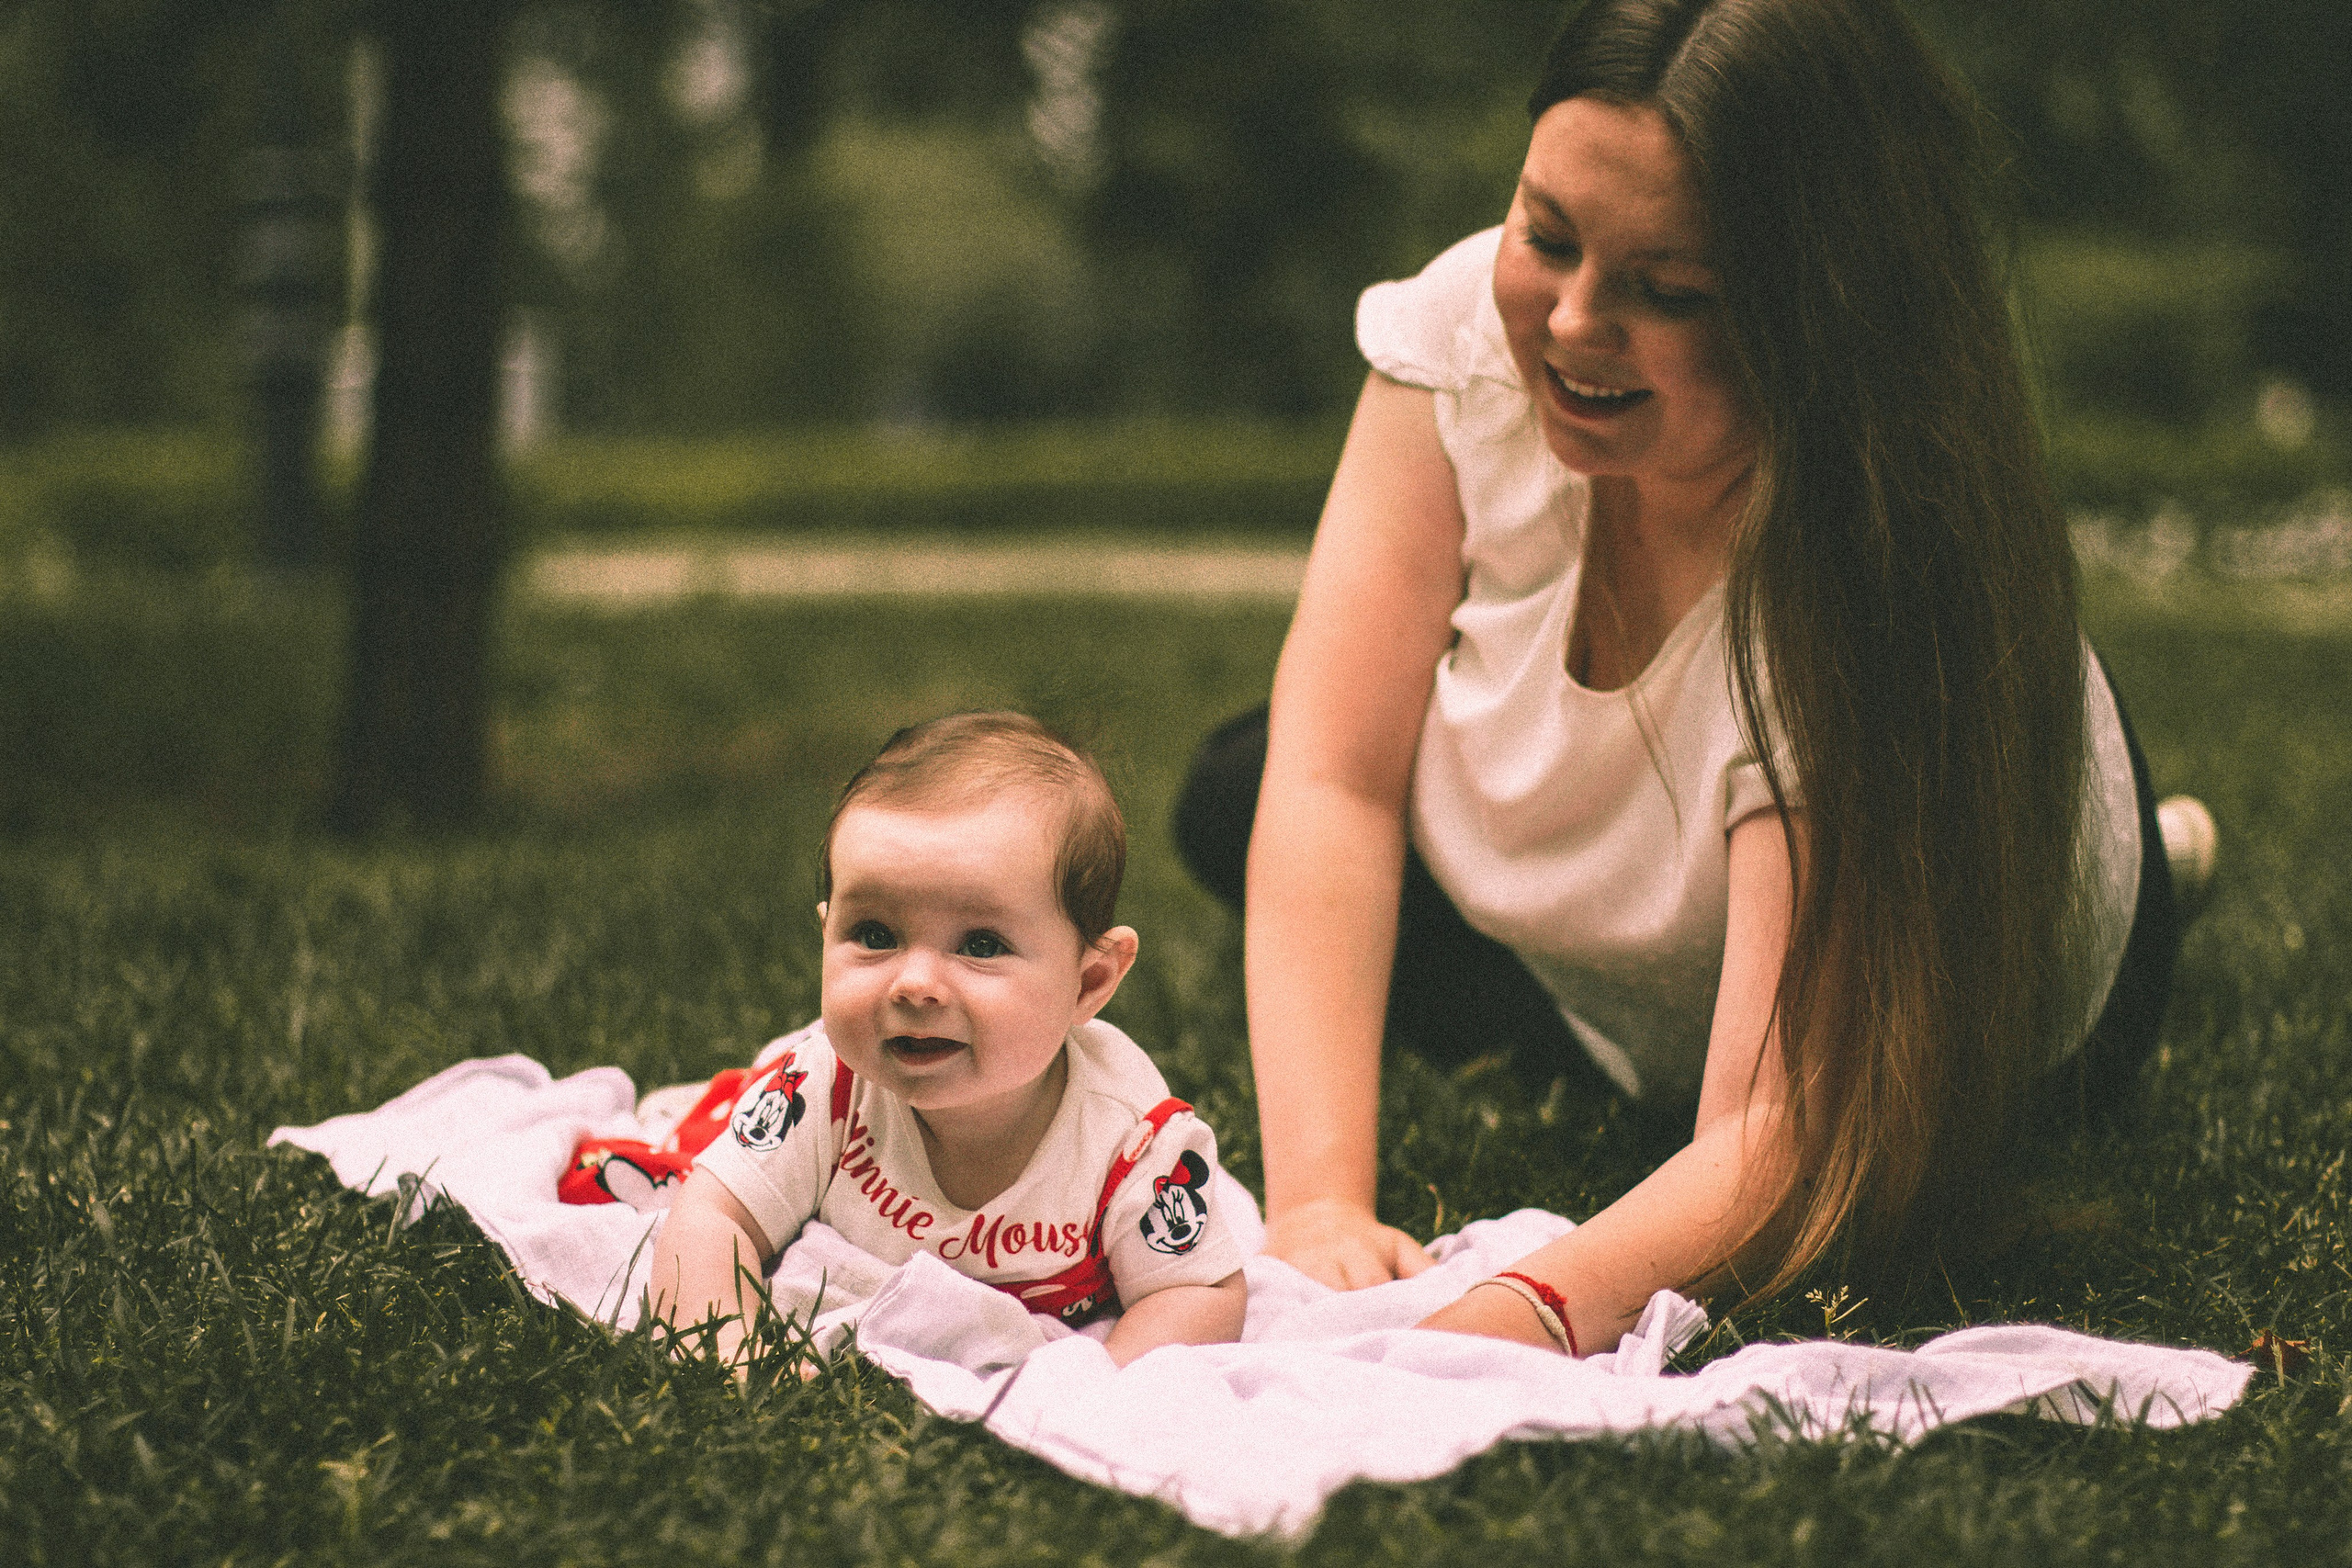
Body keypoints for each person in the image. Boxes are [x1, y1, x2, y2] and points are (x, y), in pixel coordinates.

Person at [1173, 0, 2217, 1359]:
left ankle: (2159, 859)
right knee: (1242, 790)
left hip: (2008, 946)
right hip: (1658, 892)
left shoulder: (1867, 565)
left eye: (1670, 291)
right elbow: (1333, 778)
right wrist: (1318, 1206)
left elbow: (1779, 1129)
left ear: (1823, 313)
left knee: (1766, 1108)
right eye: (1547, 233)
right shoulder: (1466, 341)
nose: (1574, 320)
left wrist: (1483, 1329)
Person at [653, 712, 1249, 1369]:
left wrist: (1094, 1388)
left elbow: (1197, 1291)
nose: (915, 984)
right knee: (711, 1136)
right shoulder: (822, 1090)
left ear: (1089, 982)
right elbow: (712, 1217)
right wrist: (728, 1354)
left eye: (981, 945)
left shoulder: (1129, 1139)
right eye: (875, 935)